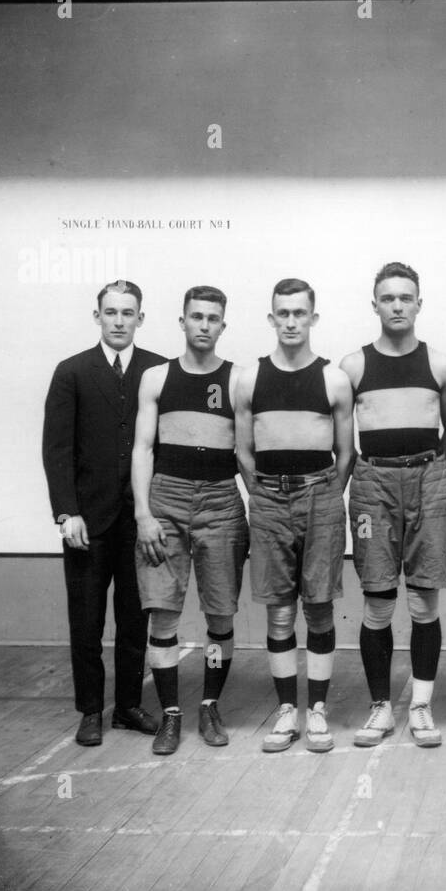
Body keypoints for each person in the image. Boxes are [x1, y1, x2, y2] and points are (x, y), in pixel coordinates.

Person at [235, 279, 354, 754]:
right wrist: (266, 494)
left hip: (321, 497)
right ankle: (288, 710)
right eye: (282, 313)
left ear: (313, 319)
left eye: (298, 313)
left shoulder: (334, 379)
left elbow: (346, 454)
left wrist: (320, 494)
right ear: (271, 318)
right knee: (280, 611)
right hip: (267, 500)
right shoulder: (250, 379)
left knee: (320, 606)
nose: (290, 322)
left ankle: (319, 710)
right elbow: (243, 452)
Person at [340, 263, 446, 748]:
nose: (397, 306)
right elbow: (343, 444)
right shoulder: (353, 367)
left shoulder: (441, 365)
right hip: (372, 485)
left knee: (424, 599)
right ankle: (381, 708)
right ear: (375, 305)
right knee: (378, 600)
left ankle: (422, 708)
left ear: (419, 303)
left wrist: (424, 468)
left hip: (427, 479)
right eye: (388, 298)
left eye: (406, 298)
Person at [42, 280, 164, 746]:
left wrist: (155, 512)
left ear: (140, 318)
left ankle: (129, 706)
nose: (118, 321)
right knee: (87, 621)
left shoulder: (157, 370)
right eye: (110, 312)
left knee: (135, 619)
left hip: (139, 523)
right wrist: (66, 513)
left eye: (127, 313)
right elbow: (56, 449)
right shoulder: (71, 372)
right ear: (97, 316)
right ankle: (91, 709)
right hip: (86, 525)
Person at [131, 286, 248, 756]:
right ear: (182, 322)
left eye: (212, 318)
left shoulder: (239, 379)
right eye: (196, 316)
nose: (204, 325)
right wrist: (142, 513)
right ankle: (171, 714)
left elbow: (245, 452)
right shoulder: (156, 377)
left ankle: (210, 704)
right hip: (166, 500)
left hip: (221, 502)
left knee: (220, 613)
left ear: (223, 325)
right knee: (163, 613)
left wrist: (259, 507)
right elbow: (142, 448)